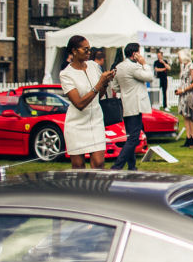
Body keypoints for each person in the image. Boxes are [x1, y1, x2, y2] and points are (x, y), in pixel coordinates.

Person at [59, 34, 117, 169]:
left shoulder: (93, 66)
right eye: (85, 49)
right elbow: (79, 104)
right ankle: (82, 190)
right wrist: (98, 84)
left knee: (99, 163)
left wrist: (105, 82)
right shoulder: (66, 74)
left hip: (96, 120)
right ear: (74, 51)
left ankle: (96, 190)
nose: (89, 52)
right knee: (78, 166)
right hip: (76, 124)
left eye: (90, 49)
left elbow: (99, 96)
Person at [110, 42, 154, 171]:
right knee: (134, 138)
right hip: (135, 105)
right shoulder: (133, 67)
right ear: (135, 54)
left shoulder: (119, 67)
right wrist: (144, 63)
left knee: (130, 136)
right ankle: (117, 166)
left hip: (126, 104)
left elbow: (116, 87)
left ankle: (132, 166)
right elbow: (149, 77)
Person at [176, 50, 193, 147]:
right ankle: (188, 137)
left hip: (189, 94)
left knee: (191, 116)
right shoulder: (183, 66)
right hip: (183, 94)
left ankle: (192, 137)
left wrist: (184, 89)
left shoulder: (191, 67)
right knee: (185, 116)